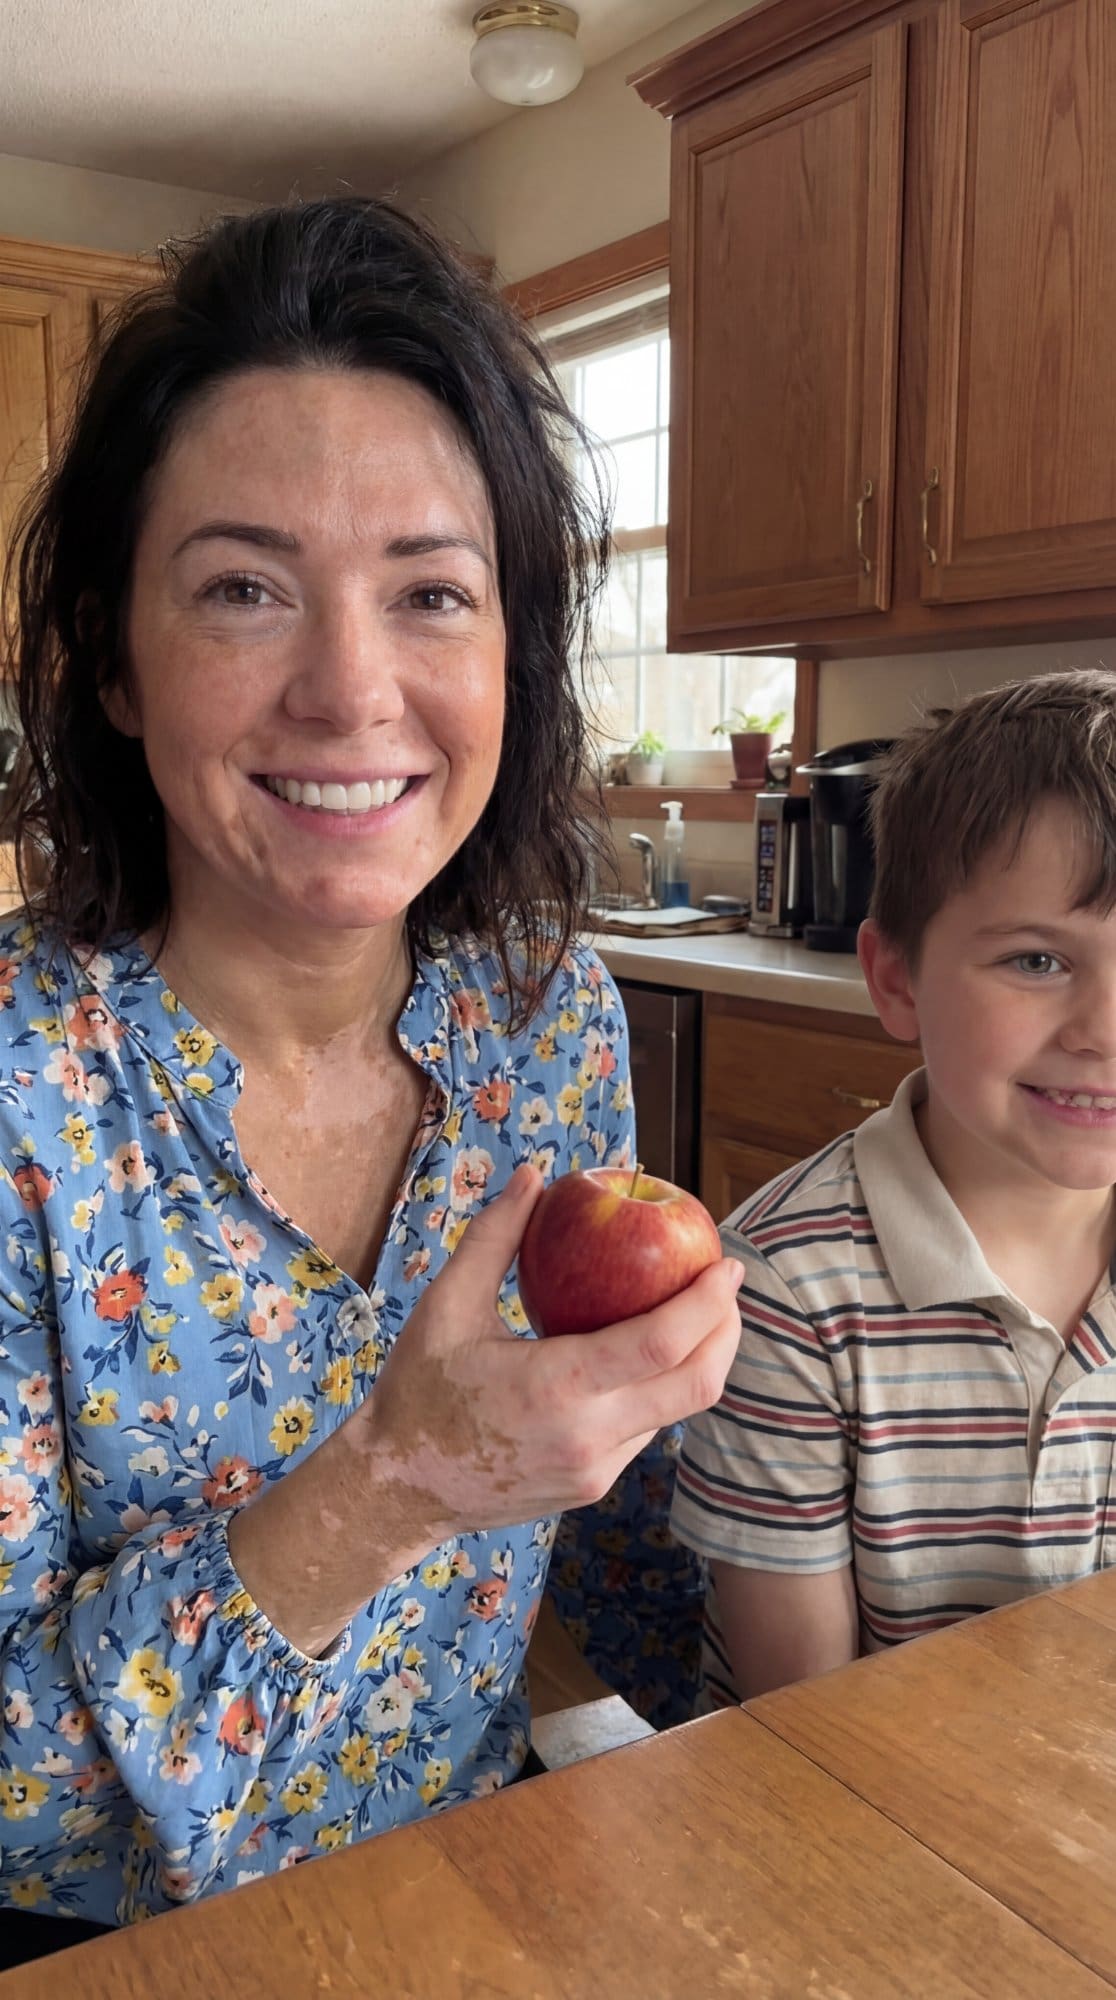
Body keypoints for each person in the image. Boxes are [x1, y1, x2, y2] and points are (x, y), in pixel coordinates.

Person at [0, 195, 744, 1958]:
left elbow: (616, 1534)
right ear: (112, 657)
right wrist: (391, 1483)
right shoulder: (26, 1090)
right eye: (245, 589)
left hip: (470, 1880)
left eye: (431, 593)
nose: (351, 691)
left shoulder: (540, 1016)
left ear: (513, 654)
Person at [671, 671, 1116, 1707]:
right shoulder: (785, 1290)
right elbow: (806, 1715)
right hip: (850, 1811)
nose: (1104, 1029)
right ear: (897, 980)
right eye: (1040, 958)